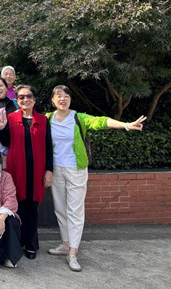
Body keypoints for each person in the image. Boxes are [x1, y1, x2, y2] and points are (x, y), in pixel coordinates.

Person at [46, 85, 146, 272]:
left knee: (75, 211)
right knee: (60, 209)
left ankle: (73, 253)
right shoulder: (48, 118)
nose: (62, 99)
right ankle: (65, 244)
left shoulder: (78, 118)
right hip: (56, 170)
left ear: (70, 99)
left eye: (66, 96)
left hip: (76, 170)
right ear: (53, 100)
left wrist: (126, 125)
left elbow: (101, 121)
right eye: (58, 96)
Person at [0, 84, 53, 259]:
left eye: (29, 96)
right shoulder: (11, 118)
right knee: (18, 206)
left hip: (37, 171)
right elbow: (6, 142)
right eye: (21, 97)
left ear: (34, 99)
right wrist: (2, 128)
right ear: (17, 100)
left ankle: (31, 245)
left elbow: (48, 147)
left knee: (33, 207)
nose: (25, 99)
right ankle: (17, 242)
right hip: (17, 170)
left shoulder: (43, 120)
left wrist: (49, 170)